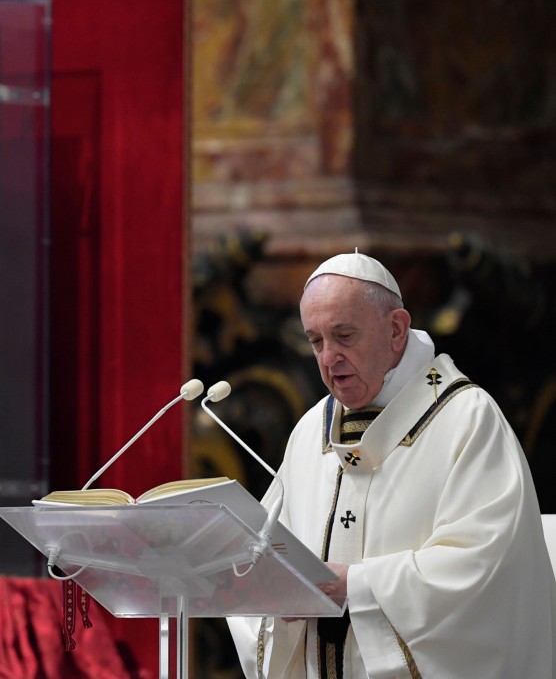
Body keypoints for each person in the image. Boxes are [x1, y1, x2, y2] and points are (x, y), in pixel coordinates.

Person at [228, 251, 556, 678]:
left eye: (344, 336)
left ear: (397, 330)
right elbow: (268, 554)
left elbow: (487, 569)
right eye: (316, 341)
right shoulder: (311, 430)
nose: (329, 358)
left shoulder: (467, 420)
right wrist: (274, 594)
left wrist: (356, 586)